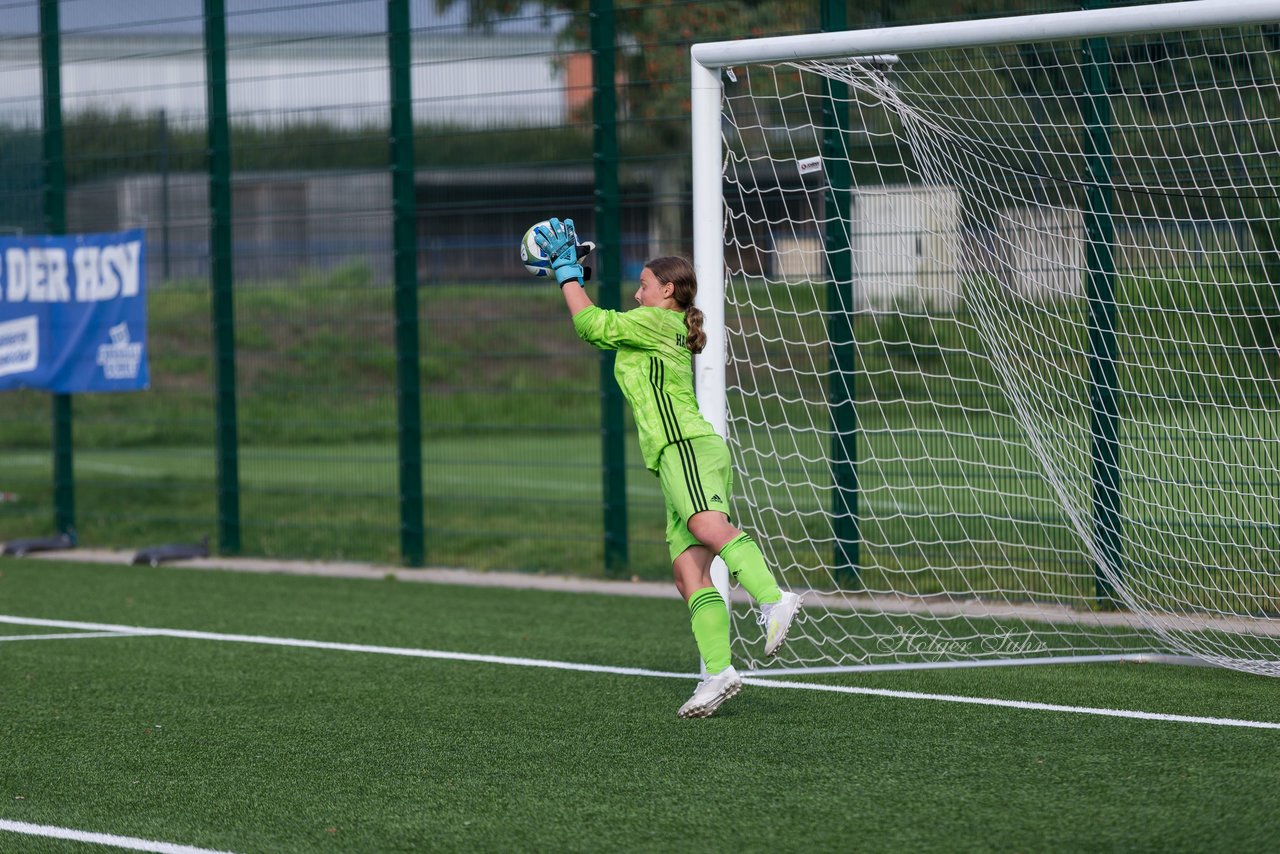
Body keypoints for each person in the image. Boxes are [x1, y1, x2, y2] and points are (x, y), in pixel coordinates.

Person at [534, 217, 802, 718]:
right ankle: (719, 672)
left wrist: (567, 273)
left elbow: (591, 325)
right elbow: (601, 330)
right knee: (687, 574)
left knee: (707, 526)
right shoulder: (655, 324)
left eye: (643, 285)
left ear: (668, 290)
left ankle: (773, 598)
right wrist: (577, 277)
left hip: (688, 446)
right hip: (672, 453)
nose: (637, 294)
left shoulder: (658, 321)